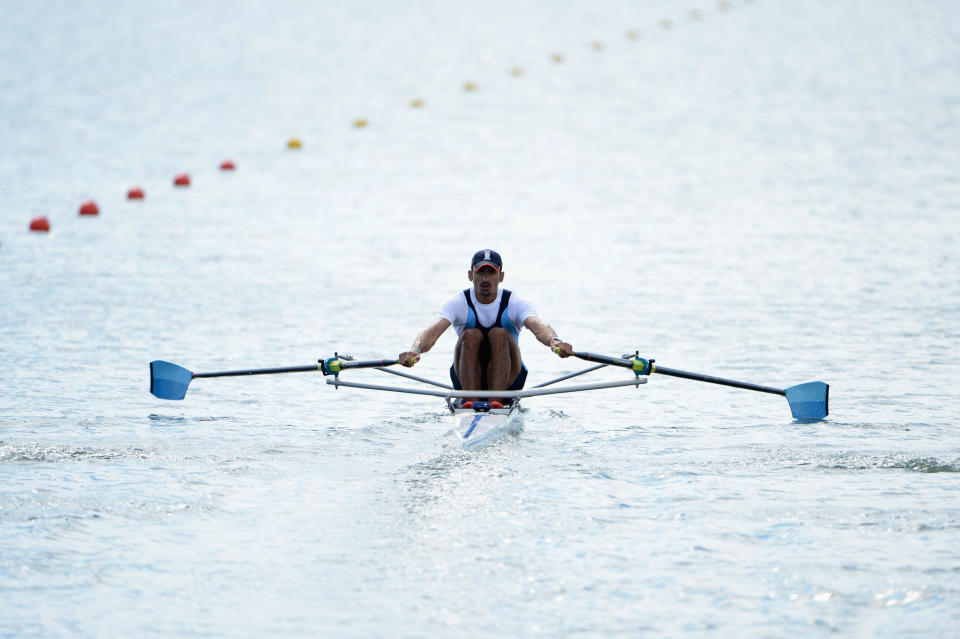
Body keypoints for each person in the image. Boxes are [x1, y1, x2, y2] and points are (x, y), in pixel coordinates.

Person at [398, 249, 573, 401]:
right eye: (480, 272)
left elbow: (538, 326)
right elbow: (431, 332)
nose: (485, 278)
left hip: (509, 381)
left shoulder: (514, 302)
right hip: (466, 378)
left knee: (499, 334)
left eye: (491, 272)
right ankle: (471, 402)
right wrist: (415, 350)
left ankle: (496, 402)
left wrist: (554, 340)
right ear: (470, 275)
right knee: (471, 335)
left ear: (501, 276)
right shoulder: (458, 302)